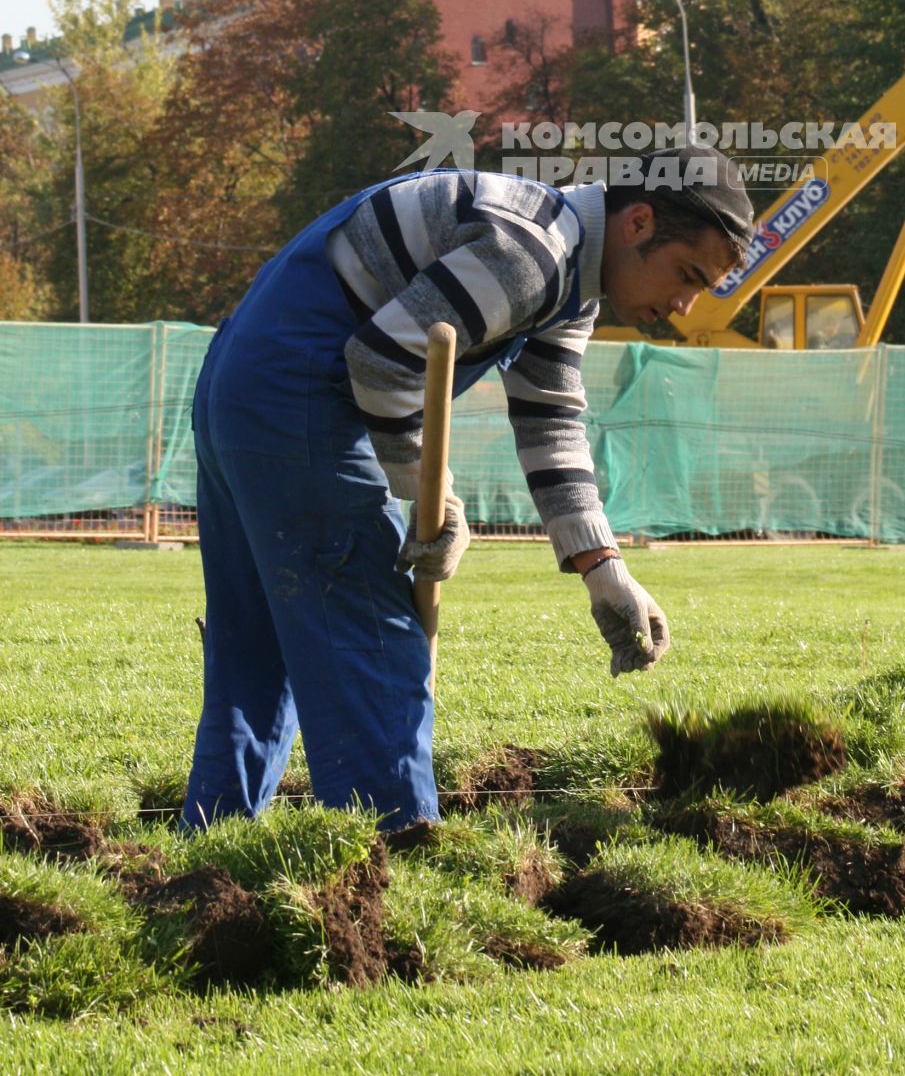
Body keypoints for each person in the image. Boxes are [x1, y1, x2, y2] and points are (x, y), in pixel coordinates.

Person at [181, 148, 753, 832]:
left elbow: (551, 422)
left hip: (242, 382)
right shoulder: (532, 254)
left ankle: (209, 861)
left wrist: (605, 571)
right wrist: (435, 495)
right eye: (688, 276)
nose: (684, 306)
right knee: (375, 643)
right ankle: (393, 861)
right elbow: (382, 360)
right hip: (294, 392)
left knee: (259, 653)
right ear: (638, 224)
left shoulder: (569, 274)